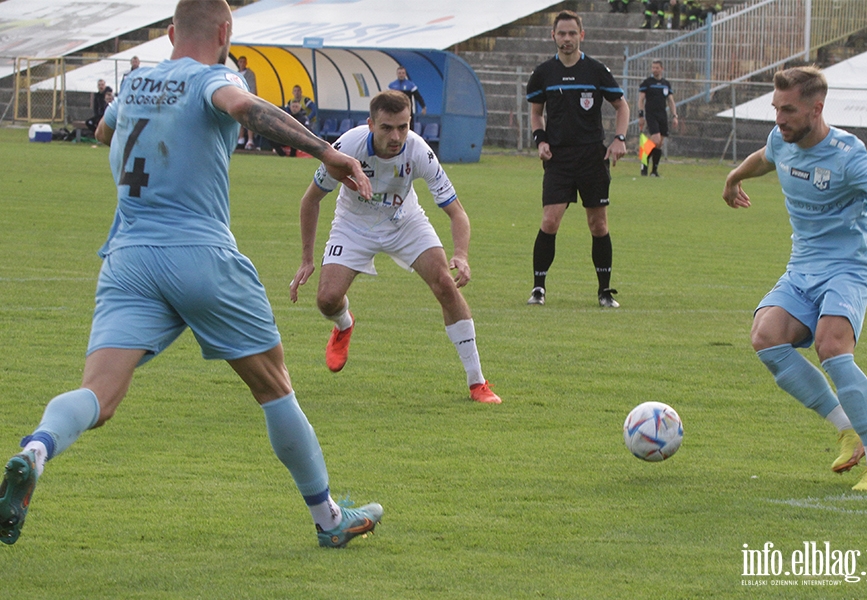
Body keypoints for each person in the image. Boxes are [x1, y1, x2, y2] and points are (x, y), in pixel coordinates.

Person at [0, 0, 382, 548]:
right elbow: (247, 108)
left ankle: (35, 450)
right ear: (225, 32)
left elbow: (108, 134)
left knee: (99, 395)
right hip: (200, 253)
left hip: (128, 258)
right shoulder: (215, 77)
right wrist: (330, 153)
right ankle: (329, 521)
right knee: (274, 387)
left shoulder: (133, 85)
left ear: (171, 33)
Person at [722, 66, 867, 492]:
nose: (779, 118)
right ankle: (846, 429)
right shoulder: (781, 141)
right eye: (775, 109)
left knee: (831, 345)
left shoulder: (849, 155)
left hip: (848, 268)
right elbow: (764, 159)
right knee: (766, 337)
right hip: (802, 268)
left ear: (816, 109)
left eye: (788, 110)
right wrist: (733, 179)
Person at [289, 89, 502, 405]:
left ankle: (477, 383)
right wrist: (307, 259)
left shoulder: (418, 151)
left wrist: (462, 254)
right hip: (354, 225)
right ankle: (344, 325)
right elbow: (311, 200)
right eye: (387, 127)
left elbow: (456, 212)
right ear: (371, 124)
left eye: (404, 126)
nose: (397, 135)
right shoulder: (347, 147)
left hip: (404, 222)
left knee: (445, 283)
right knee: (327, 300)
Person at [525, 10, 629, 308]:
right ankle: (538, 288)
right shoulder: (543, 73)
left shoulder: (596, 71)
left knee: (598, 224)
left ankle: (605, 291)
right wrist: (540, 140)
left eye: (572, 33)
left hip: (591, 157)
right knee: (549, 221)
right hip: (558, 158)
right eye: (562, 33)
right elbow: (535, 112)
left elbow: (621, 106)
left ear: (581, 35)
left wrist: (620, 139)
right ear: (553, 36)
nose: (567, 39)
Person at [638, 59, 678, 176]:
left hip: (662, 115)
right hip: (651, 114)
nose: (654, 70)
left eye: (657, 68)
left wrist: (675, 115)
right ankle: (644, 160)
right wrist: (641, 115)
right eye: (653, 67)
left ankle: (654, 171)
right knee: (655, 139)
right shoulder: (647, 83)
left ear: (662, 69)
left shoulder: (666, 84)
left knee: (659, 143)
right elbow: (641, 99)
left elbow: (671, 101)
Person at [236, 55, 258, 149]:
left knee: (248, 120)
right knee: (238, 119)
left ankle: (250, 141)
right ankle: (240, 140)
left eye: (243, 61)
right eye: (240, 61)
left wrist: (252, 98)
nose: (242, 63)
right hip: (237, 99)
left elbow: (253, 87)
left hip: (248, 99)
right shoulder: (235, 74)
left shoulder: (250, 74)